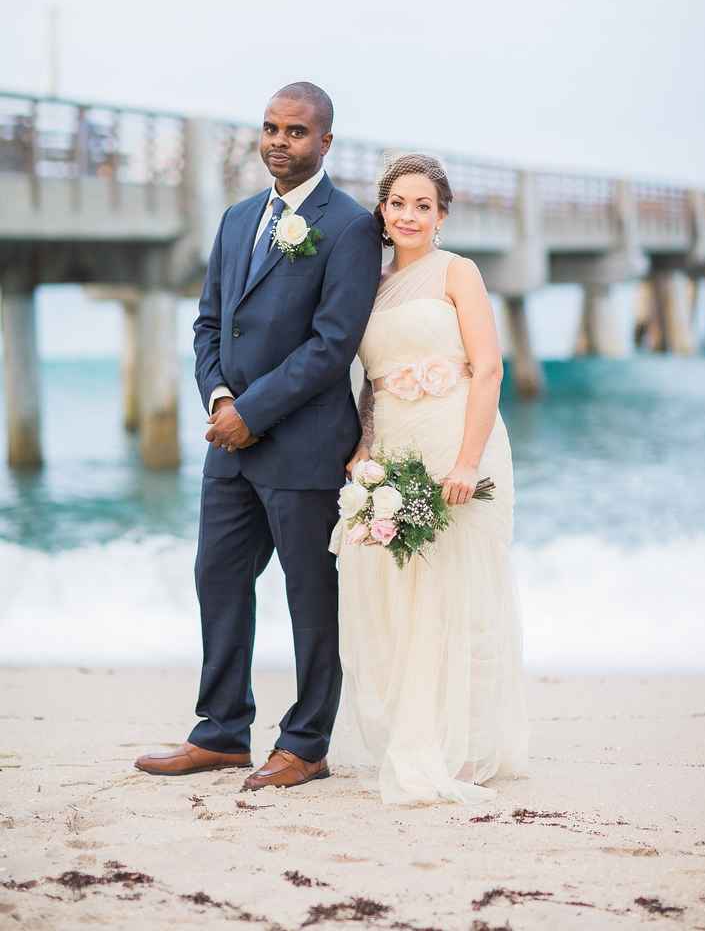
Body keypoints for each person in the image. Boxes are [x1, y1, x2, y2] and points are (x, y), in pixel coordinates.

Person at [134, 82, 382, 789]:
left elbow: (332, 345)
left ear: (325, 142)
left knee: (311, 598)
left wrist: (253, 412)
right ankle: (220, 733)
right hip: (230, 446)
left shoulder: (350, 227)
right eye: (271, 128)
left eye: (296, 131)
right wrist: (220, 400)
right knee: (217, 578)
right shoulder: (239, 217)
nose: (279, 141)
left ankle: (306, 744)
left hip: (304, 447)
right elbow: (209, 323)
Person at [332, 153, 528, 804]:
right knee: (395, 592)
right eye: (398, 204)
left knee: (459, 591)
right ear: (382, 211)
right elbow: (371, 381)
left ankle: (464, 746)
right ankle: (416, 731)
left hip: (456, 440)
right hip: (394, 445)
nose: (409, 215)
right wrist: (364, 447)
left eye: (423, 205)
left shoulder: (457, 272)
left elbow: (489, 369)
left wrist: (467, 461)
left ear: (441, 215)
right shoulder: (370, 283)